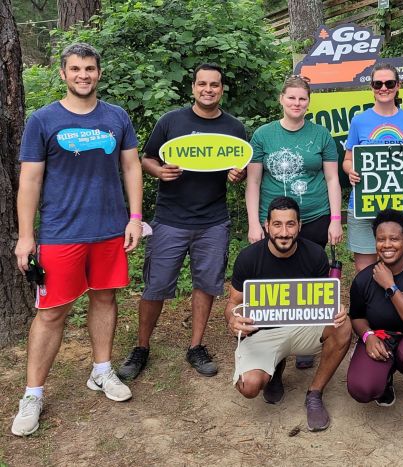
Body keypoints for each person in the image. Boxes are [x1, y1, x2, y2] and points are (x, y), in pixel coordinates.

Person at [12, 43, 143, 436]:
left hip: (109, 230)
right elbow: (30, 181)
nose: (83, 75)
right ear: (63, 74)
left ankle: (102, 371)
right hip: (60, 233)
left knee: (105, 298)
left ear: (98, 73)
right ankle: (33, 394)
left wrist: (135, 218)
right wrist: (25, 236)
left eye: (89, 68)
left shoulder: (116, 117)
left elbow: (132, 166)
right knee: (51, 313)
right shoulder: (43, 120)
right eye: (75, 69)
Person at [117, 63, 247, 381]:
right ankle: (141, 348)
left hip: (214, 220)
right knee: (156, 286)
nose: (208, 89)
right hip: (170, 219)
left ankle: (196, 346)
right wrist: (158, 171)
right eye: (202, 83)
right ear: (193, 88)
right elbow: (146, 159)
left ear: (221, 89)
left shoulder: (234, 128)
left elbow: (238, 165)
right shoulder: (171, 121)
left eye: (214, 85)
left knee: (206, 285)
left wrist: (237, 175)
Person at [225, 197, 351, 432]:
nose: (284, 232)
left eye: (290, 224)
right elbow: (233, 304)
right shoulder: (249, 258)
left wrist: (337, 311)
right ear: (266, 225)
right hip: (263, 333)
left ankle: (314, 393)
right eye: (277, 224)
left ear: (300, 226)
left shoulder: (314, 255)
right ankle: (274, 372)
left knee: (343, 326)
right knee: (249, 387)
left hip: (302, 328)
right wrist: (233, 320)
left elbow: (324, 301)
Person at [246, 75, 342, 370]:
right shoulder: (264, 135)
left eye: (302, 99)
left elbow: (331, 179)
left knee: (310, 280)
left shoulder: (322, 135)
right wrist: (253, 222)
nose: (297, 103)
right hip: (273, 221)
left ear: (309, 102)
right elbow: (253, 182)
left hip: (314, 216)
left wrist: (336, 220)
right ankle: (272, 343)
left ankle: (305, 340)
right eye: (292, 98)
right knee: (275, 279)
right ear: (281, 99)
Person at [346, 209, 403, 449]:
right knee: (362, 388)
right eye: (381, 239)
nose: (387, 245)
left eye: (394, 239)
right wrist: (367, 336)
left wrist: (391, 286)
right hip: (381, 339)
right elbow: (356, 316)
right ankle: (384, 380)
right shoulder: (364, 278)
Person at [343, 63, 403, 273]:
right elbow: (347, 159)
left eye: (389, 83)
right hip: (365, 205)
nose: (383, 88)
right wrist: (350, 171)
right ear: (371, 87)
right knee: (365, 271)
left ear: (398, 85)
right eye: (377, 83)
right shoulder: (359, 121)